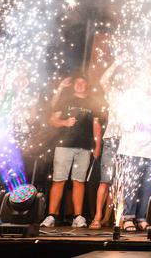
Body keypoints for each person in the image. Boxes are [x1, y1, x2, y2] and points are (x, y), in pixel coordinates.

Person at [41, 74, 102, 228]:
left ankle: (78, 216)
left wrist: (97, 146)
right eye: (77, 82)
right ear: (74, 85)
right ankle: (51, 216)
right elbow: (52, 120)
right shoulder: (65, 100)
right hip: (64, 146)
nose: (80, 85)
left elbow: (96, 126)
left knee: (79, 181)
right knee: (59, 180)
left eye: (83, 82)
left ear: (87, 85)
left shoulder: (92, 102)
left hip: (84, 148)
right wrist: (65, 122)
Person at [114, 74, 151, 231]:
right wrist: (137, 125)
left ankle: (142, 217)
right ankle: (128, 217)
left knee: (148, 185)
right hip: (133, 147)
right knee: (132, 184)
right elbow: (122, 118)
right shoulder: (130, 95)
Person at [90, 60, 122, 229]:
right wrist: (116, 63)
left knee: (119, 183)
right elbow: (104, 81)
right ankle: (97, 216)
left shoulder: (137, 97)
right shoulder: (115, 94)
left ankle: (108, 218)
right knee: (105, 181)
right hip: (112, 139)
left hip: (129, 142)